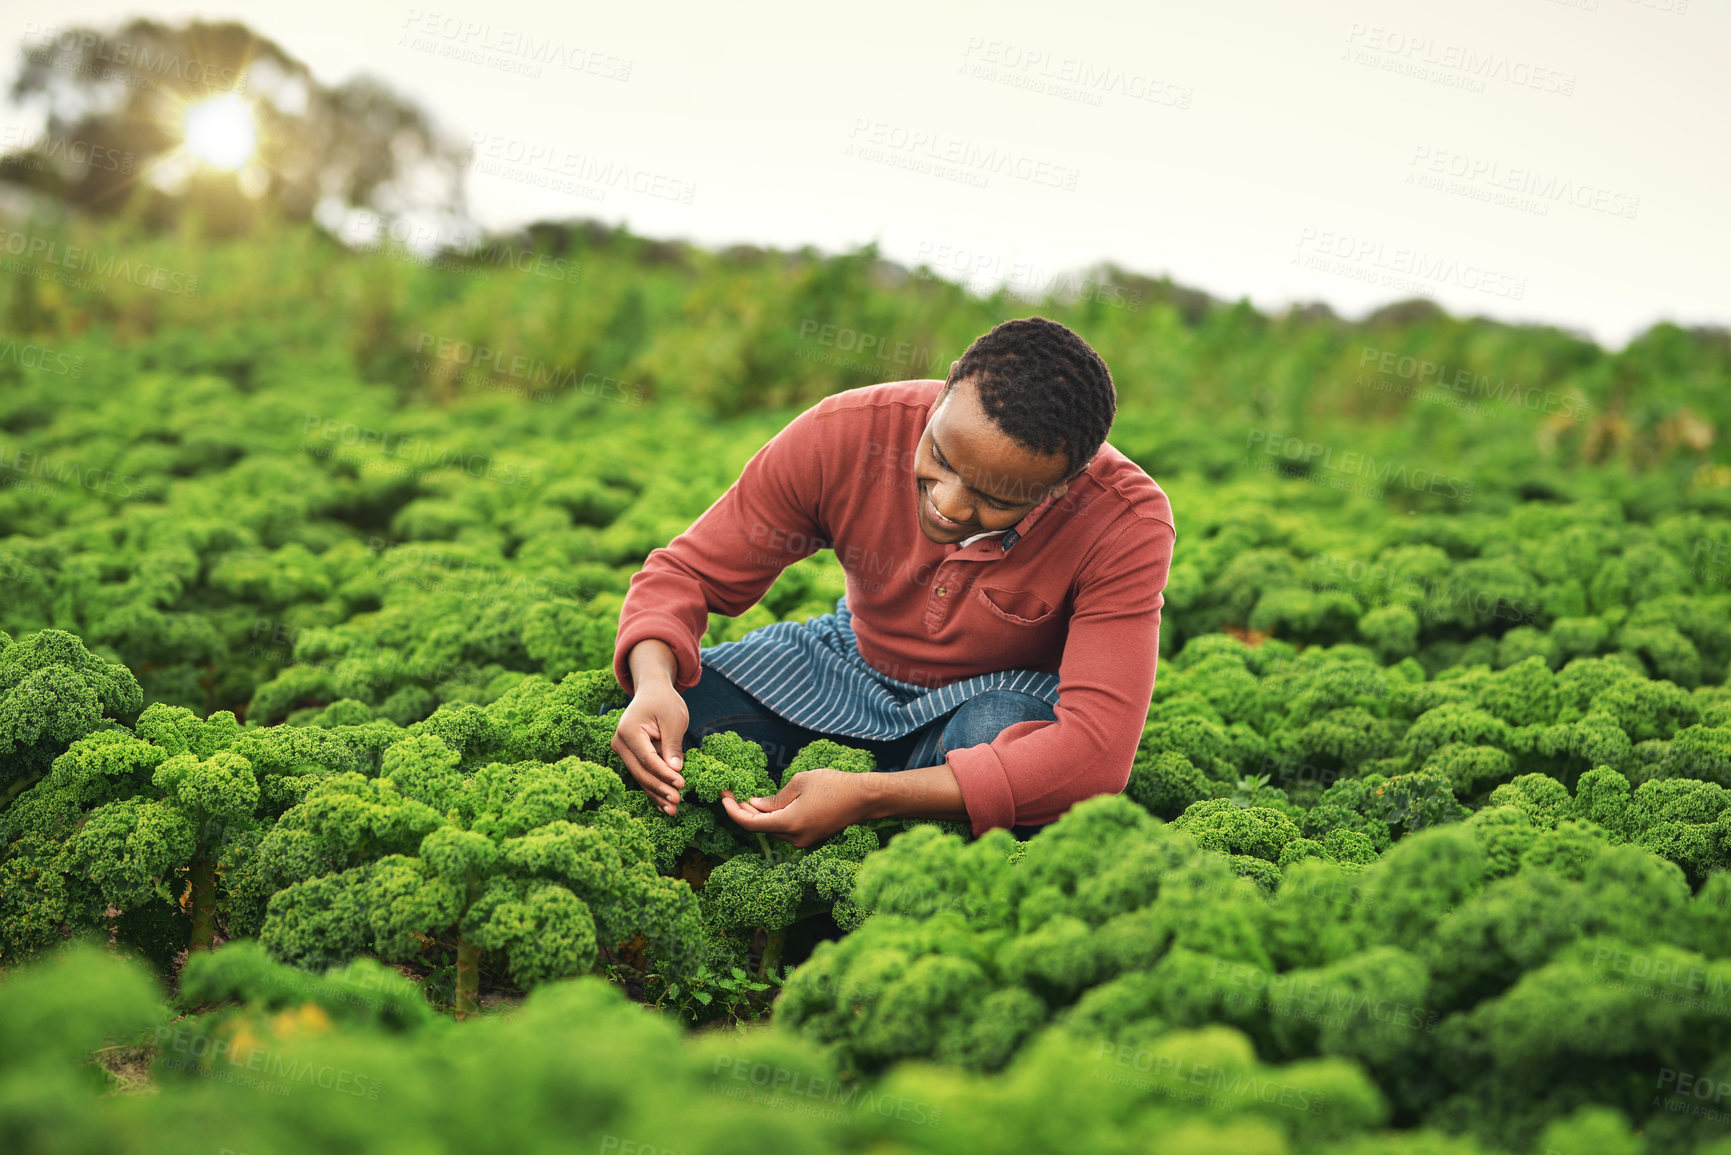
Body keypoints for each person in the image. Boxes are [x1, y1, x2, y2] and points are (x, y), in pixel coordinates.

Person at [609, 316, 1175, 847]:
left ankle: (903, 820)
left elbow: (1094, 752)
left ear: (1063, 484)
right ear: (946, 388)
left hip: (981, 711)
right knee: (670, 716)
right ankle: (898, 801)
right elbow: (687, 573)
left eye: (996, 499)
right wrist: (655, 682)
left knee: (1002, 731)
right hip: (846, 665)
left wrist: (870, 797)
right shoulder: (844, 433)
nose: (949, 505)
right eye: (942, 456)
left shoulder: (1124, 522)